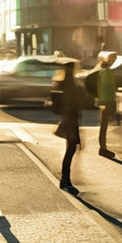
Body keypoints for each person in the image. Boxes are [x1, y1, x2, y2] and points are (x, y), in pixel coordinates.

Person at [52, 61, 82, 194]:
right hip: (71, 118)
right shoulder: (70, 83)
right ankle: (65, 179)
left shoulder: (64, 81)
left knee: (71, 148)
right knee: (70, 149)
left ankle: (65, 179)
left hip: (70, 118)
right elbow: (71, 102)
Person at [91, 51, 119, 159]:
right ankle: (103, 148)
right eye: (113, 59)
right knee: (104, 126)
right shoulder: (106, 72)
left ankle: (103, 147)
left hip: (102, 100)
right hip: (106, 100)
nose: (114, 61)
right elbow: (109, 86)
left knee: (104, 125)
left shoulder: (99, 70)